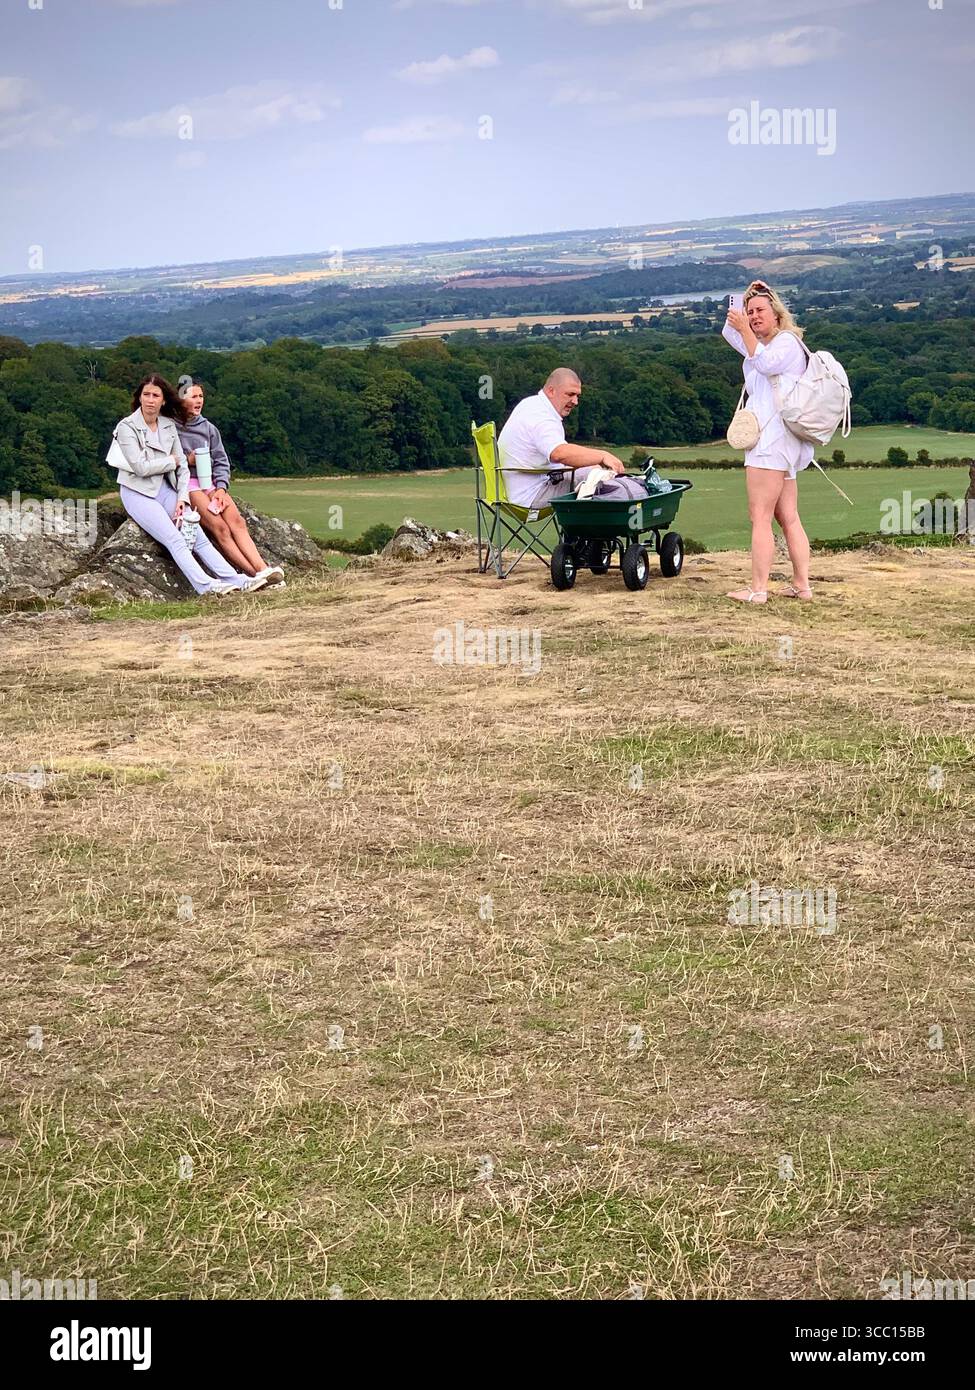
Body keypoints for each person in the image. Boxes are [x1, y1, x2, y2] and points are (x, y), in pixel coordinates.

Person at [111, 375, 268, 596]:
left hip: (164, 489)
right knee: (175, 539)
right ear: (139, 398)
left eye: (156, 395)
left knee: (198, 537)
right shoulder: (127, 426)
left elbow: (183, 469)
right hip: (137, 492)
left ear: (164, 401)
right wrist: (172, 461)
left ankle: (240, 580)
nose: (150, 400)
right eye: (145, 395)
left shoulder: (167, 425)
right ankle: (206, 586)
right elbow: (141, 468)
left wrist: (182, 497)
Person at [722, 282, 814, 604]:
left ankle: (758, 589)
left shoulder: (787, 343)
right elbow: (729, 331)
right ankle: (802, 586)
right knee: (788, 515)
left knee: (759, 515)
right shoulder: (759, 344)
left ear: (777, 314)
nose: (752, 316)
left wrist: (747, 328)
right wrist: (740, 296)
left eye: (760, 310)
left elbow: (764, 363)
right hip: (782, 444)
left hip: (770, 443)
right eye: (750, 312)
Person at [176, 379, 284, 587]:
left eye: (201, 396)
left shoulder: (209, 428)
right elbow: (169, 460)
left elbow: (221, 461)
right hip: (188, 482)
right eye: (193, 396)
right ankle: (256, 575)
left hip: (212, 482)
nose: (199, 401)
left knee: (237, 521)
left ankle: (263, 570)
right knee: (220, 528)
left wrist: (221, 488)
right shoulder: (171, 427)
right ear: (180, 400)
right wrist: (187, 460)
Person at [498, 368, 626, 510]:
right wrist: (603, 455)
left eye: (577, 396)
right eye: (570, 394)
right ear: (551, 391)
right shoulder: (541, 417)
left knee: (593, 470)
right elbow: (559, 453)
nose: (575, 401)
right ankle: (595, 531)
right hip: (531, 494)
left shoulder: (531, 404)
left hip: (519, 490)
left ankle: (585, 531)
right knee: (598, 476)